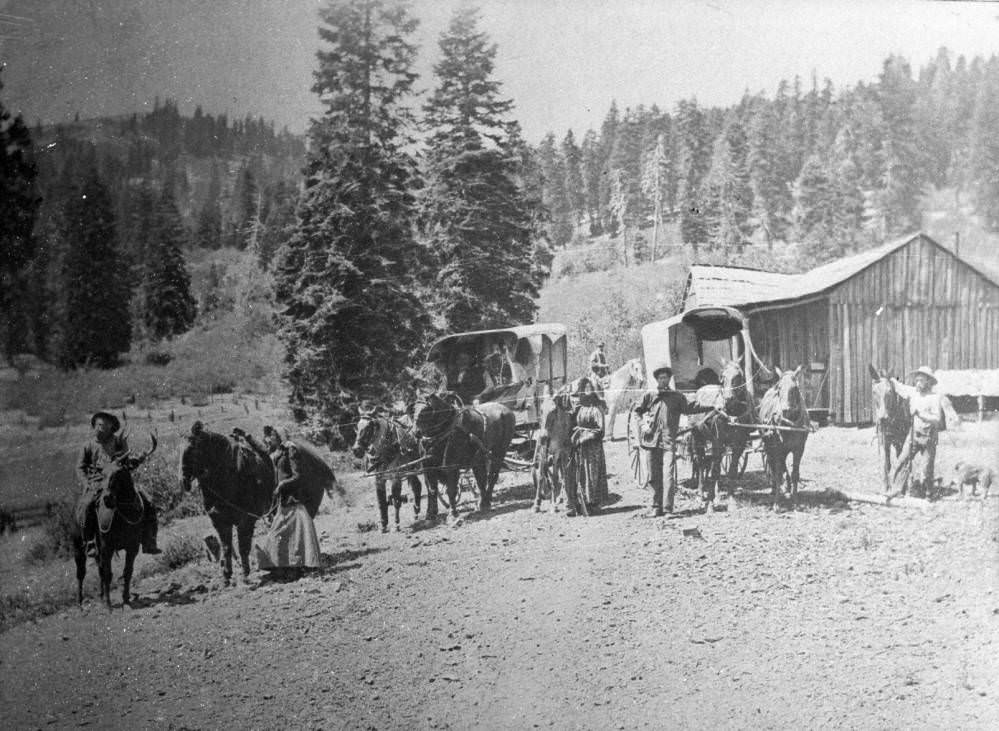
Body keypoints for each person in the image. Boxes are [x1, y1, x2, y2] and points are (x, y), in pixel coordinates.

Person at [632, 365, 714, 516]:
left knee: (668, 474)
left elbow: (691, 407)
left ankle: (668, 509)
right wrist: (643, 424)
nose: (663, 380)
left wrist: (712, 406)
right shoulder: (649, 395)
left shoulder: (676, 397)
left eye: (666, 378)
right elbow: (637, 412)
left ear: (669, 379)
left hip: (668, 441)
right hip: (651, 441)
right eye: (661, 378)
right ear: (657, 379)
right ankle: (656, 507)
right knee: (653, 475)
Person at [75, 411, 160, 555]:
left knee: (148, 502)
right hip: (97, 484)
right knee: (86, 505)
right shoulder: (88, 445)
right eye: (98, 425)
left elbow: (126, 462)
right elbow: (80, 467)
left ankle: (149, 540)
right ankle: (90, 541)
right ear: (94, 427)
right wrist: (86, 483)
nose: (100, 428)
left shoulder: (119, 442)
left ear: (111, 427)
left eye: (104, 425)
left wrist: (138, 459)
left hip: (119, 482)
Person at [241, 425, 321, 579]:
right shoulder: (275, 451)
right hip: (282, 499)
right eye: (270, 436)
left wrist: (282, 485)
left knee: (291, 534)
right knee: (281, 533)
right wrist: (247, 436)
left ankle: (295, 566)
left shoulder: (291, 450)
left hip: (293, 498)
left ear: (280, 437)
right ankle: (282, 566)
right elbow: (261, 451)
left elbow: (298, 476)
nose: (270, 439)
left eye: (273, 436)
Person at [889, 366, 950, 500]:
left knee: (926, 469)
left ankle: (929, 492)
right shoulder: (913, 393)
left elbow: (937, 419)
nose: (917, 383)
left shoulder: (934, 398)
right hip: (913, 435)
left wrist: (921, 415)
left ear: (928, 382)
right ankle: (897, 490)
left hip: (929, 437)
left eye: (921, 380)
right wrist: (891, 379)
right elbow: (900, 388)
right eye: (916, 380)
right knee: (902, 461)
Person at [570, 377, 609, 514]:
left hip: (593, 446)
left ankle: (593, 503)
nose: (587, 391)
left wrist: (586, 437)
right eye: (584, 388)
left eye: (589, 388)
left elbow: (600, 430)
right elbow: (574, 424)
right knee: (581, 473)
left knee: (592, 472)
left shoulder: (596, 408)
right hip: (580, 446)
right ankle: (582, 502)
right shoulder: (579, 407)